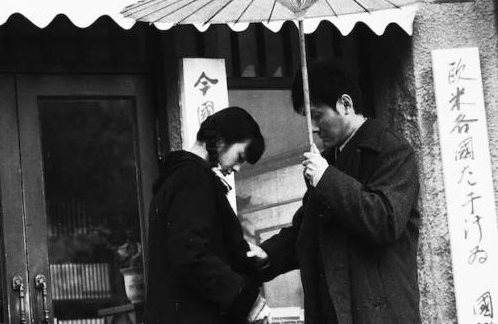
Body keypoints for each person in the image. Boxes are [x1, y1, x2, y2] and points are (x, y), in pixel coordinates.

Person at [248, 60, 421, 324]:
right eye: (308, 118)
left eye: (317, 115)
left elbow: (385, 220)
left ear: (345, 104)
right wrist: (268, 254)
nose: (313, 127)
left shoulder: (391, 149)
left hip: (379, 313)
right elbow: (307, 231)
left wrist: (326, 178)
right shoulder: (328, 162)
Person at [145, 107, 266, 324]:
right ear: (220, 141)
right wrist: (247, 301)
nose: (238, 168)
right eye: (240, 156)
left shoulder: (175, 178)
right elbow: (191, 255)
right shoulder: (194, 179)